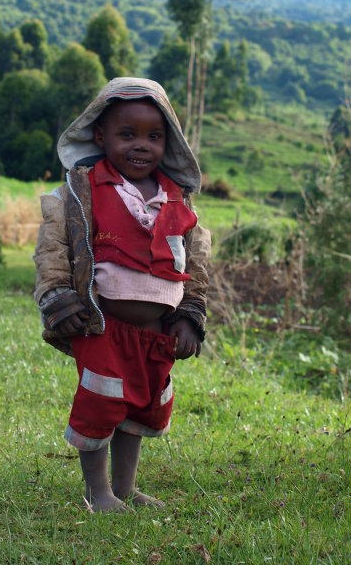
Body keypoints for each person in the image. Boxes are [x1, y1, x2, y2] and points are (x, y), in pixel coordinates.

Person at [34, 77, 211, 512]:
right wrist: (58, 296)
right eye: (126, 134)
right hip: (103, 327)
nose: (141, 146)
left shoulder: (178, 199)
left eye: (153, 136)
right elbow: (53, 248)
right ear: (100, 136)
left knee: (141, 408)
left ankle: (125, 488)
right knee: (101, 402)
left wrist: (190, 315)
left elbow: (197, 262)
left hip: (155, 334)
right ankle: (98, 492)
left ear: (168, 142)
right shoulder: (82, 192)